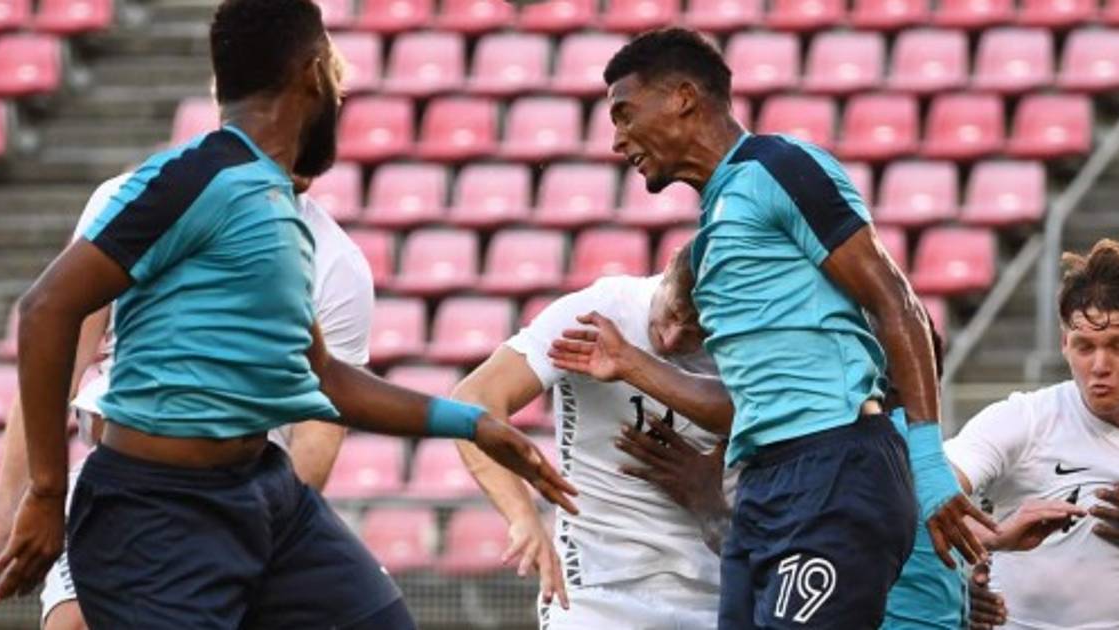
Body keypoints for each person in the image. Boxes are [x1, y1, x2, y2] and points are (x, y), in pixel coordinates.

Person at [0, 1, 575, 627]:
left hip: (263, 491)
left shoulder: (273, 203)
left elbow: (325, 380)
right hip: (157, 510)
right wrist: (44, 492)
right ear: (315, 74)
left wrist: (473, 424)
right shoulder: (190, 179)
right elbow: (45, 309)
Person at [601, 27, 991, 628]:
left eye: (625, 114)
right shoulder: (713, 228)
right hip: (765, 484)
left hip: (836, 465)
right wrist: (633, 364)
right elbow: (747, 399)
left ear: (682, 97)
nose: (617, 139)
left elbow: (897, 301)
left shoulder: (780, 169)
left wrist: (928, 460)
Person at [550, 262, 1083, 630]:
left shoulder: (850, 462)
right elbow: (914, 540)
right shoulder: (907, 463)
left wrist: (709, 502)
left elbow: (793, 562)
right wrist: (978, 569)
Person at [0, 170, 373, 630]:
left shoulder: (336, 264)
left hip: (244, 501)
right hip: (121, 484)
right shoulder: (130, 200)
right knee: (75, 622)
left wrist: (257, 540)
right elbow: (56, 363)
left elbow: (317, 437)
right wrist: (8, 496)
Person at [451, 246, 730, 629]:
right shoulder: (599, 313)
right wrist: (522, 517)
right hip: (597, 591)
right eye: (672, 314)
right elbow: (472, 399)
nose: (670, 339)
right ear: (667, 271)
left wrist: (711, 499)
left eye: (694, 333)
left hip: (714, 594)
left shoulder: (745, 351)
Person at [944, 239, 1119, 629]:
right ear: (1065, 344)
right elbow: (918, 500)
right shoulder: (1023, 420)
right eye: (1085, 347)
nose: (1099, 365)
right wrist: (988, 542)